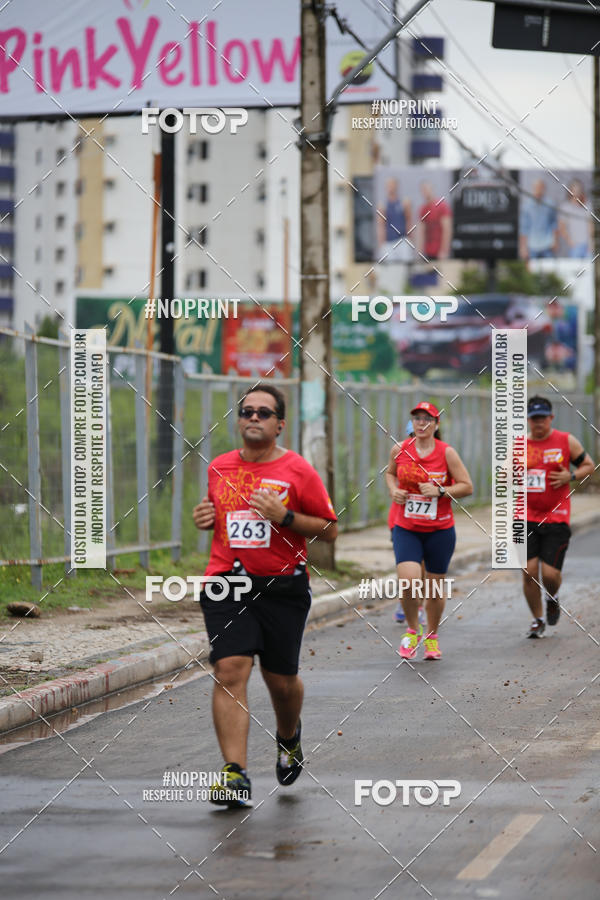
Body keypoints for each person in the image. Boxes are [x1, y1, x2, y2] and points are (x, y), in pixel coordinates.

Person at [192, 383, 338, 807]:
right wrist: (206, 516)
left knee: (281, 681)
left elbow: (330, 529)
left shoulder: (297, 470)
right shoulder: (219, 466)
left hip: (282, 586)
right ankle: (234, 774)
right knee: (230, 668)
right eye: (247, 411)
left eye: (263, 412)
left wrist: (285, 516)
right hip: (227, 581)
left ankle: (289, 736)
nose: (253, 417)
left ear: (279, 425)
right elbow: (220, 515)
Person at [385, 402, 473, 660]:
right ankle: (413, 631)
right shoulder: (399, 449)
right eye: (417, 419)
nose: (421, 423)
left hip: (440, 530)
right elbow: (390, 474)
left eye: (427, 419)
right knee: (409, 581)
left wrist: (440, 491)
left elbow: (467, 486)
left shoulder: (447, 453)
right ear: (412, 423)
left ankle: (432, 637)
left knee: (434, 588)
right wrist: (393, 490)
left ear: (436, 424)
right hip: (407, 528)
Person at [523, 396, 594, 638]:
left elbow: (589, 466)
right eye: (534, 418)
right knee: (528, 571)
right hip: (525, 517)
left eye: (542, 418)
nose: (539, 422)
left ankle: (552, 597)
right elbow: (504, 475)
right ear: (529, 420)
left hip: (556, 516)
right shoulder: (519, 445)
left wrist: (570, 477)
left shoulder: (565, 441)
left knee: (550, 574)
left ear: (551, 418)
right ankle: (537, 620)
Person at [376, 177, 413, 263]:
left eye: (392, 185)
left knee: (406, 265)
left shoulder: (404, 203)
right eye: (388, 186)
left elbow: (409, 222)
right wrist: (382, 245)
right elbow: (381, 226)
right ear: (386, 187)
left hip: (402, 241)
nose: (391, 188)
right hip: (389, 243)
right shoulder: (382, 206)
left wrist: (410, 241)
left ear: (396, 186)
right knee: (390, 266)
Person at [519, 178, 557, 260]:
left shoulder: (550, 204)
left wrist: (555, 241)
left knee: (549, 267)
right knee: (532, 268)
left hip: (547, 244)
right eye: (536, 188)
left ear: (544, 189)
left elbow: (554, 224)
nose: (538, 190)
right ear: (533, 189)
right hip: (532, 245)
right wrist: (523, 247)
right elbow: (524, 228)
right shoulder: (526, 206)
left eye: (540, 188)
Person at [556, 178, 592, 259]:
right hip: (573, 247)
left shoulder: (587, 205)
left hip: (587, 246)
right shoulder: (565, 207)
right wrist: (570, 242)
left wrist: (591, 243)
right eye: (575, 191)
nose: (577, 193)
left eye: (579, 191)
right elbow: (561, 228)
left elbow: (590, 226)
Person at [416, 180, 452, 260]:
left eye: (427, 189)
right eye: (423, 190)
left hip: (440, 252)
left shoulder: (442, 206)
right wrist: (419, 252)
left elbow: (447, 230)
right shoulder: (423, 209)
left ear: (432, 189)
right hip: (428, 251)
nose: (426, 192)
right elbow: (421, 232)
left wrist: (444, 250)